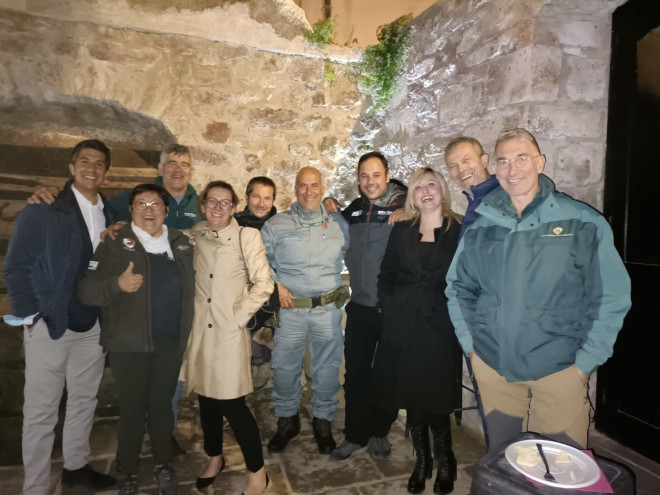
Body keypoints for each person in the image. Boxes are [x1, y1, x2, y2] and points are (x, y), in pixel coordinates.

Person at [446, 128, 632, 451]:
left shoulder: (582, 222)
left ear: (540, 163)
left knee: (563, 468)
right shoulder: (481, 226)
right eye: (503, 161)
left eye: (522, 158)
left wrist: (585, 363)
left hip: (560, 372)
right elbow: (458, 288)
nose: (511, 169)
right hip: (495, 370)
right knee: (506, 461)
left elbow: (611, 297)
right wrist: (473, 350)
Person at [27, 143, 200, 453]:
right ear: (160, 169)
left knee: (164, 390)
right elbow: (96, 200)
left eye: (184, 164)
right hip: (113, 313)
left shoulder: (197, 203)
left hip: (165, 319)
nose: (178, 168)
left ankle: (163, 436)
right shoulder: (132, 197)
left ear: (191, 170)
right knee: (55, 404)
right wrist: (48, 190)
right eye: (171, 162)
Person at [2, 139, 117, 494]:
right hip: (50, 323)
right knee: (41, 412)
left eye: (99, 163)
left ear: (106, 172)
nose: (91, 168)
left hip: (92, 325)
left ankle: (76, 468)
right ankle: (35, 487)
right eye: (84, 161)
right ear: (71, 167)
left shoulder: (112, 214)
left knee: (84, 399)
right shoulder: (43, 209)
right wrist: (29, 315)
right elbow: (15, 267)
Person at [78, 183, 194, 495]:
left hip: (170, 342)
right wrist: (117, 284)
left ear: (166, 211)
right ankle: (127, 468)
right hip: (128, 344)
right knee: (131, 409)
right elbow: (87, 290)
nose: (148, 209)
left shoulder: (181, 243)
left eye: (155, 204)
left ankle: (162, 464)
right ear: (130, 210)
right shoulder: (115, 241)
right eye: (141, 203)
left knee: (161, 407)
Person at [371, 167, 462, 494]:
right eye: (419, 187)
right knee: (410, 392)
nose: (425, 191)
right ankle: (422, 461)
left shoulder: (459, 229)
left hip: (440, 325)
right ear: (412, 195)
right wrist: (388, 304)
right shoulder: (403, 229)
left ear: (442, 191)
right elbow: (387, 272)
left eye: (432, 185)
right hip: (403, 322)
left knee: (436, 394)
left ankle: (446, 460)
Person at [179, 180, 272, 495]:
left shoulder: (247, 236)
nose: (218, 207)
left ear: (234, 207)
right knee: (206, 402)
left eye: (225, 202)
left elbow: (264, 284)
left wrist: (237, 317)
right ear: (203, 204)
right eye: (212, 201)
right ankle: (214, 458)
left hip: (229, 333)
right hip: (201, 334)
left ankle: (258, 472)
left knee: (234, 406)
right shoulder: (194, 235)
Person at [322, 151, 406, 462]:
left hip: (391, 308)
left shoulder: (404, 206)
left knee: (386, 374)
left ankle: (379, 432)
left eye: (376, 175)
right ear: (359, 180)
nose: (370, 182)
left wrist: (412, 214)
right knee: (356, 373)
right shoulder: (355, 210)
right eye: (364, 176)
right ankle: (355, 434)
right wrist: (330, 206)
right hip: (359, 306)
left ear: (387, 176)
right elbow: (337, 232)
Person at [261, 167, 350, 455]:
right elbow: (259, 263)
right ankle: (287, 421)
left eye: (314, 185)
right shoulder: (277, 224)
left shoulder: (339, 223)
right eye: (303, 186)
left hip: (327, 310)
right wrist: (275, 286)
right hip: (290, 311)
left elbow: (352, 251)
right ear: (295, 188)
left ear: (322, 188)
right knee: (285, 368)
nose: (309, 191)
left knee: (326, 369)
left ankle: (322, 421)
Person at [234, 176, 278, 390]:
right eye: (256, 197)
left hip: (270, 295)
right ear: (247, 197)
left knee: (262, 337)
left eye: (267, 198)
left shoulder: (280, 226)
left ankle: (261, 361)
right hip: (239, 294)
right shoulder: (233, 224)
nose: (262, 203)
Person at [444, 136, 499, 236]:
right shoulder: (474, 203)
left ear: (484, 161)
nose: (461, 169)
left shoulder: (505, 196)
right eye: (453, 166)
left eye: (466, 160)